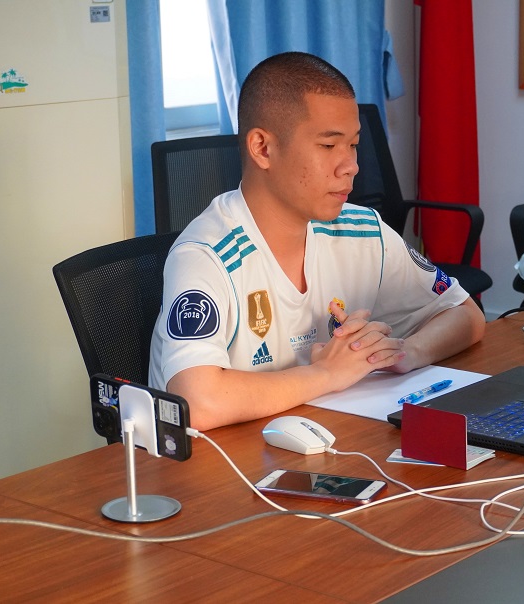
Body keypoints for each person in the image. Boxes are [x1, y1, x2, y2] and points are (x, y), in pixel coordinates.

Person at [149, 51, 485, 431]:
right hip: (219, 462)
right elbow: (196, 402)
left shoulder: (363, 230)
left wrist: (404, 352)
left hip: (322, 441)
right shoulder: (206, 256)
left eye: (353, 145)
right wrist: (327, 374)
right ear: (262, 148)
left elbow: (466, 314)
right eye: (328, 146)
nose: (351, 166)